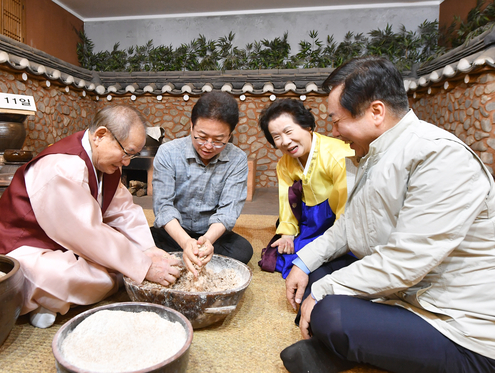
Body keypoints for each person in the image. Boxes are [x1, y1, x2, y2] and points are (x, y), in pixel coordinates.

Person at [281, 56, 495, 373]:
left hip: (456, 324)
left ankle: (345, 348)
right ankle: (353, 348)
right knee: (320, 272)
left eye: (337, 120)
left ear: (376, 111)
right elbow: (346, 230)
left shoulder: (440, 155)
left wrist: (322, 293)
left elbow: (405, 262)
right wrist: (303, 262)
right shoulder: (377, 152)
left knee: (331, 312)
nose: (335, 131)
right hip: (408, 294)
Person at [0, 105, 181, 329]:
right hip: (20, 251)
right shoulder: (63, 166)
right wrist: (143, 266)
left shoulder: (104, 164)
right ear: (101, 136)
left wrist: (148, 250)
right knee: (84, 276)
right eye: (127, 152)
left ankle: (53, 301)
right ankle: (45, 300)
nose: (127, 162)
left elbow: (125, 211)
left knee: (113, 269)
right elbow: (87, 233)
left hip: (63, 245)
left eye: (132, 156)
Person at [150, 91, 253, 276]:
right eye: (202, 137)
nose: (208, 146)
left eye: (218, 141)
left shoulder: (237, 159)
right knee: (141, 240)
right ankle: (192, 256)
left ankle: (187, 257)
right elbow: (163, 207)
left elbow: (228, 212)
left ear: (229, 135)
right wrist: (185, 242)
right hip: (175, 231)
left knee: (243, 250)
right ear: (191, 126)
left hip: (210, 233)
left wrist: (206, 242)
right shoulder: (168, 152)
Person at [258, 99, 354, 278]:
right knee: (278, 257)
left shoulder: (339, 155)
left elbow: (347, 212)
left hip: (334, 220)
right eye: (277, 137)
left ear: (308, 127)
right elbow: (285, 200)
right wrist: (287, 233)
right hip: (308, 218)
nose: (285, 141)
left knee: (321, 261)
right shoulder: (284, 164)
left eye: (288, 131)